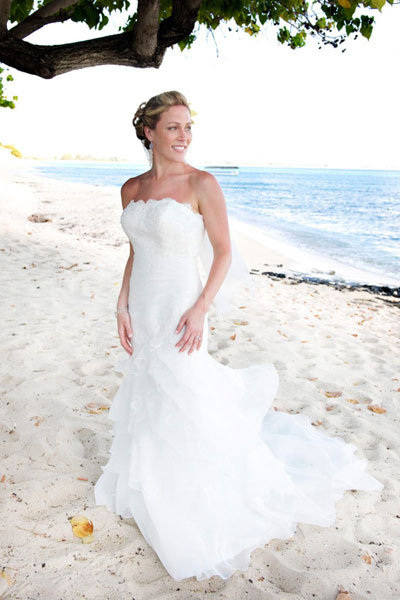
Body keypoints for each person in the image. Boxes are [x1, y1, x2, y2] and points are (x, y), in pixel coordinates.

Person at [94, 90, 383, 581]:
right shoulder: (131, 188)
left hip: (182, 305)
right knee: (148, 385)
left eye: (188, 127)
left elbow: (224, 253)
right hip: (143, 305)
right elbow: (134, 251)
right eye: (173, 128)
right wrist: (120, 304)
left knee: (187, 385)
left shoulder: (202, 184)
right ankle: (153, 478)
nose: (184, 136)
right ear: (149, 131)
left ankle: (196, 484)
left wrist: (201, 307)